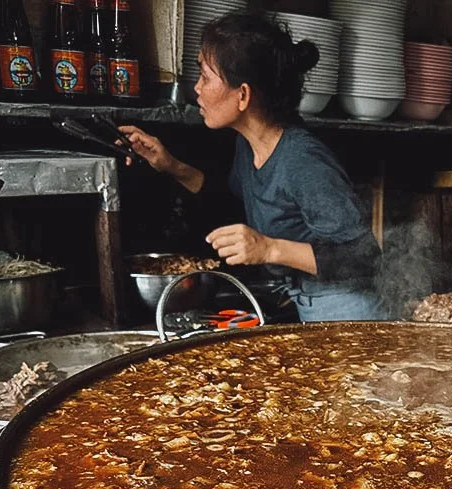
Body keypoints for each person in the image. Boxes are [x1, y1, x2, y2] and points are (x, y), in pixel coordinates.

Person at [120, 13, 387, 322]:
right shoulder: (248, 146)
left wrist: (269, 248)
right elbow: (234, 202)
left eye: (206, 76)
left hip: (351, 313)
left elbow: (364, 258)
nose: (197, 88)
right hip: (309, 306)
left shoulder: (302, 160)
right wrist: (170, 165)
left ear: (243, 95)